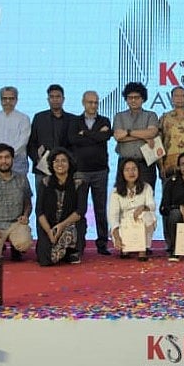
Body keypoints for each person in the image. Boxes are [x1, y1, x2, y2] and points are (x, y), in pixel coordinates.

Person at [68, 90, 113, 256]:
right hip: (80, 171)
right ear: (83, 102)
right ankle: (78, 243)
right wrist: (95, 135)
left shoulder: (104, 120)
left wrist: (85, 134)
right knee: (79, 209)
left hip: (100, 170)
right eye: (90, 102)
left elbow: (104, 137)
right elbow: (73, 140)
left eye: (95, 102)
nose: (93, 105)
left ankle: (102, 244)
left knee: (100, 208)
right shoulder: (74, 121)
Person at [0, 143, 33, 261]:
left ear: (12, 159)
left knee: (24, 243)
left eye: (7, 157)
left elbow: (28, 203)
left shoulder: (22, 179)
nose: (4, 161)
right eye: (0, 158)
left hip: (15, 223)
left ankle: (16, 247)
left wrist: (25, 215)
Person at [36, 148, 82, 266]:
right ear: (51, 164)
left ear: (69, 163)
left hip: (69, 225)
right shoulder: (45, 182)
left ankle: (70, 251)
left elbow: (80, 211)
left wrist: (61, 226)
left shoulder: (79, 183)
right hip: (49, 226)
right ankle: (62, 251)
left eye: (63, 161)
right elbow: (39, 211)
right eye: (56, 161)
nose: (60, 164)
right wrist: (49, 231)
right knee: (45, 260)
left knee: (70, 231)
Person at [28, 84, 75, 200]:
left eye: (58, 97)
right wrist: (37, 159)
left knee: (65, 202)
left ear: (63, 99)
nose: (55, 100)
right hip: (42, 169)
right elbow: (31, 143)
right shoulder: (39, 118)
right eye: (52, 97)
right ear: (48, 99)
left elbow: (75, 145)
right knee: (42, 202)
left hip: (65, 169)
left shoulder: (73, 119)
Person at [113, 82, 160, 192]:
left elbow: (151, 133)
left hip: (146, 163)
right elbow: (118, 136)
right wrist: (143, 136)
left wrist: (127, 132)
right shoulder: (119, 116)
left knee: (147, 196)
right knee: (123, 196)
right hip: (124, 163)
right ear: (126, 99)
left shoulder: (151, 115)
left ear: (143, 99)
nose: (133, 100)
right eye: (130, 98)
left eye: (137, 97)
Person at [109, 158, 157, 261]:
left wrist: (143, 207)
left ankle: (142, 250)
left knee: (147, 215)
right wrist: (116, 237)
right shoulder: (115, 192)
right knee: (121, 223)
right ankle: (125, 248)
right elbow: (113, 216)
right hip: (125, 224)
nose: (131, 173)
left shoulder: (146, 187)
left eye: (134, 169)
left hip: (141, 219)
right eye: (127, 170)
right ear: (122, 173)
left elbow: (152, 205)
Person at [0, 86, 30, 175]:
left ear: (16, 100)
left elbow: (23, 141)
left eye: (11, 98)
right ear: (0, 100)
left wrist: (8, 155)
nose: (8, 101)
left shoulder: (24, 118)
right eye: (4, 98)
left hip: (17, 162)